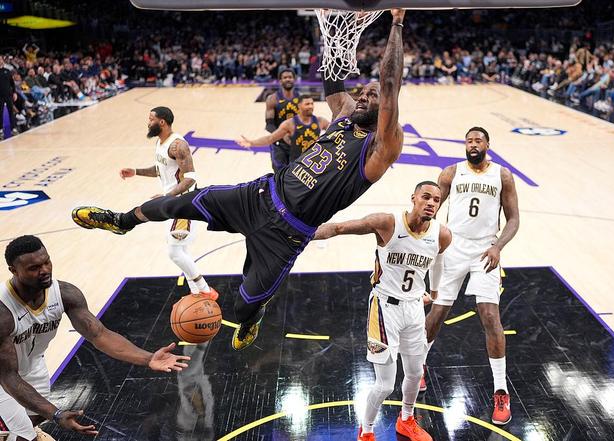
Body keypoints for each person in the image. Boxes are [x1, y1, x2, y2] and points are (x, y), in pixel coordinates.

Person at [71, 8, 406, 352]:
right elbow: (333, 75)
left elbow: (389, 86)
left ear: (386, 109)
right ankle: (121, 221)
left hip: (287, 234)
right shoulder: (345, 114)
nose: (363, 97)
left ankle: (253, 315)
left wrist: (396, 21)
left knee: (244, 306)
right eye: (362, 92)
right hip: (259, 195)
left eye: (372, 96)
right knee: (177, 204)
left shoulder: (382, 146)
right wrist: (335, 32)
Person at [0, 235, 190, 441]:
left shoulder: (64, 294)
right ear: (14, 270)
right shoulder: (3, 312)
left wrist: (148, 358)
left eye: (47, 262)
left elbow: (99, 334)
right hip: (4, 376)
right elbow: (8, 376)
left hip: (33, 364)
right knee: (26, 435)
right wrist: (56, 414)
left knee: (35, 417)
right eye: (34, 268)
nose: (45, 270)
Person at [314, 181, 451, 441]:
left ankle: (406, 420)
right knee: (385, 384)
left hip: (414, 309)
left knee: (415, 373)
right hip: (384, 309)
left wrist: (433, 294)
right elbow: (339, 228)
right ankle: (366, 431)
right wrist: (302, 233)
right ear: (413, 198)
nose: (431, 203)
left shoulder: (442, 235)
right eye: (426, 197)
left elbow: (438, 262)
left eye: (436, 200)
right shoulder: (388, 223)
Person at [423, 127, 520, 425]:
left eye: (478, 140)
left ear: (488, 144)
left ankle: (501, 391)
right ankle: (419, 366)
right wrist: (428, 241)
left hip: (485, 251)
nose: (473, 144)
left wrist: (498, 247)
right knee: (438, 311)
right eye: (469, 140)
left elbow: (514, 219)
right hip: (453, 247)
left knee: (490, 315)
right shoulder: (451, 172)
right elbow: (431, 211)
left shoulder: (502, 175)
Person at [113, 106, 216, 300]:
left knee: (174, 251)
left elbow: (190, 178)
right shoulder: (161, 143)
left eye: (151, 119)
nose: (148, 122)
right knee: (181, 250)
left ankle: (205, 289)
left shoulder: (178, 145)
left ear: (162, 122)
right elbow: (160, 169)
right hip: (172, 202)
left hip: (184, 203)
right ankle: (196, 293)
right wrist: (136, 171)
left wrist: (166, 196)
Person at [238, 95, 330, 161]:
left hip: (314, 162)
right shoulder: (290, 124)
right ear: (299, 106)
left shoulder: (321, 121)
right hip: (296, 164)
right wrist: (252, 143)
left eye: (312, 103)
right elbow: (270, 138)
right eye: (307, 104)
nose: (310, 106)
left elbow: (335, 130)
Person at [264, 68, 300, 171]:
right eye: (285, 77)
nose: (288, 79)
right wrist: (282, 135)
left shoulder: (301, 98)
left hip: (296, 142)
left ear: (294, 79)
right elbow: (269, 125)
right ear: (280, 81)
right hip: (278, 143)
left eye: (290, 77)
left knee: (296, 174)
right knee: (279, 173)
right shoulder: (272, 99)